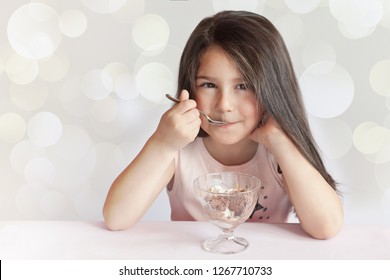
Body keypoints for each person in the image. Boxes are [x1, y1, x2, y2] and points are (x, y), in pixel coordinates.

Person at [103, 10, 343, 239]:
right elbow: (116, 218)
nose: (225, 104)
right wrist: (161, 144)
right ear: (190, 88)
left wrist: (280, 141)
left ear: (272, 89)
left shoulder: (277, 153)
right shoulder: (178, 150)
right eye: (209, 85)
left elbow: (326, 227)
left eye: (243, 86)